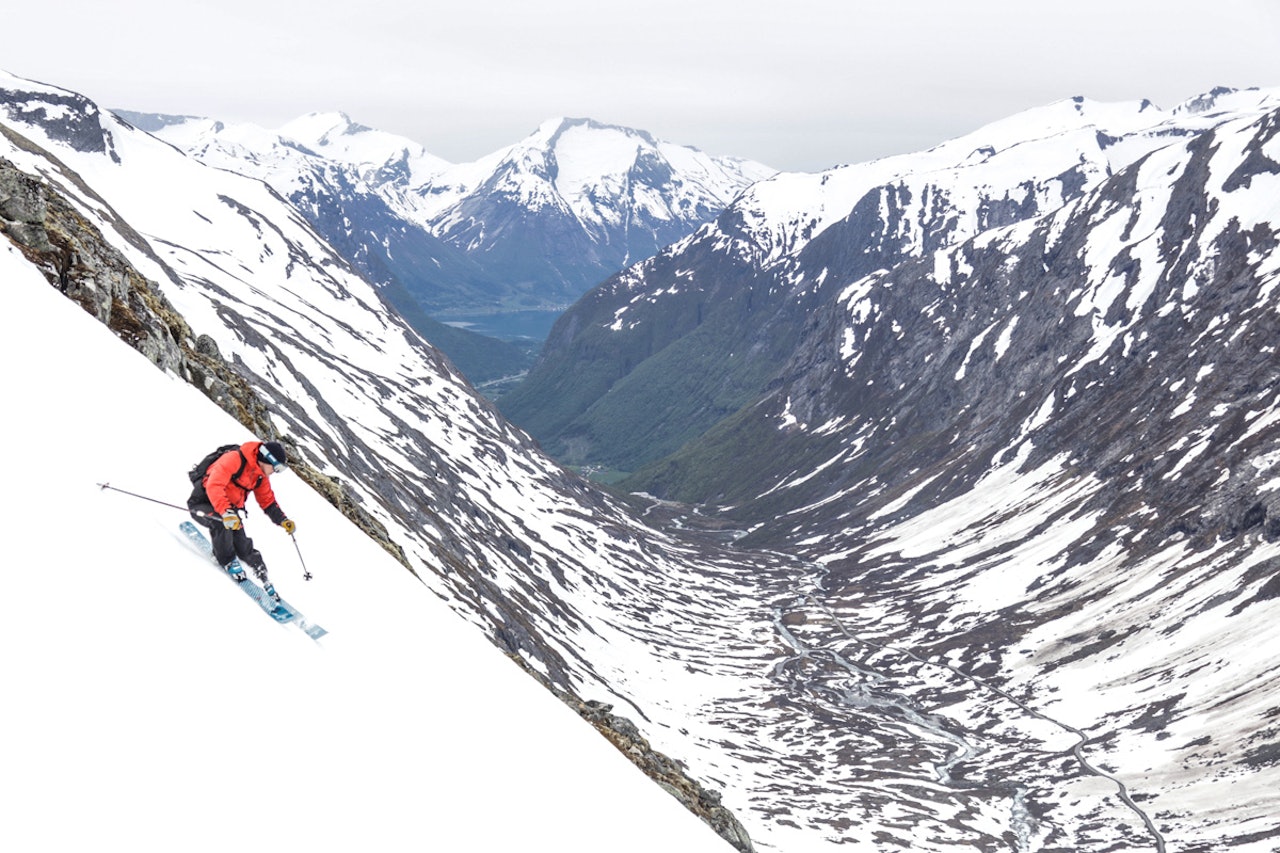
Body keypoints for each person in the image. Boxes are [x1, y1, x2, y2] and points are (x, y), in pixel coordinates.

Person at [188, 440, 296, 602]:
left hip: (229, 511)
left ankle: (259, 570)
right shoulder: (234, 459)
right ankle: (227, 561)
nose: (276, 472)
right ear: (267, 459)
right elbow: (214, 485)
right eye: (277, 467)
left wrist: (282, 520)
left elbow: (267, 501)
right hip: (203, 503)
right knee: (221, 524)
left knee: (242, 543)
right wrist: (225, 512)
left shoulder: (260, 476)